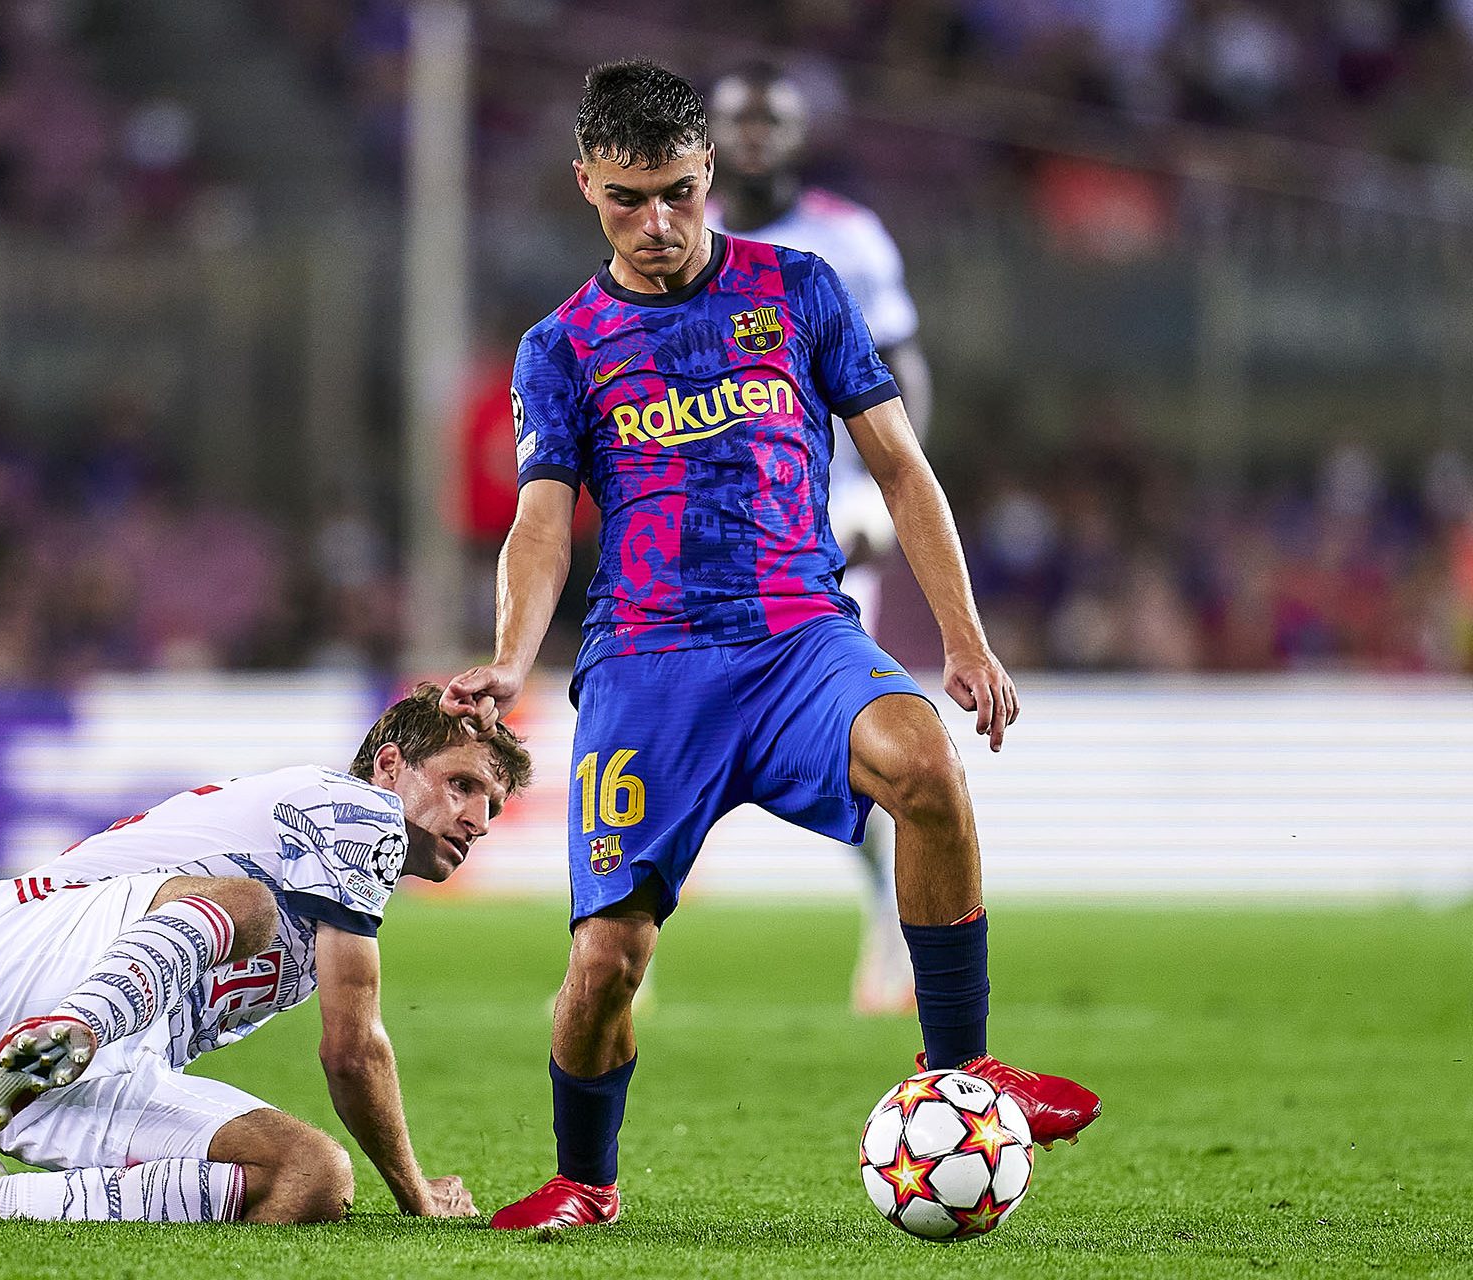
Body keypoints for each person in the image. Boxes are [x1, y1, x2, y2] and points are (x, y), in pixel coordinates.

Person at [441, 60, 1100, 1231]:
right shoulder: (563, 346)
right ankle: (586, 1178)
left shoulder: (800, 288)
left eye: (681, 194)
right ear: (585, 182)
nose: (659, 226)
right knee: (606, 965)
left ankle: (960, 1074)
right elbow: (542, 523)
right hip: (647, 665)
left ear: (710, 176)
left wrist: (965, 638)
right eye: (628, 199)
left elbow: (900, 465)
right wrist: (507, 655)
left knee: (926, 761)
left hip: (799, 636)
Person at [0, 685, 531, 1225]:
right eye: (461, 784)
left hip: (82, 1064)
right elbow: (352, 1050)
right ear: (388, 766)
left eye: (493, 807)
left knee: (312, 1176)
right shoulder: (354, 811)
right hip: (24, 950)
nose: (477, 819)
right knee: (248, 907)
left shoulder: (342, 894)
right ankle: (72, 1027)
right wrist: (417, 1193)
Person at [708, 61, 932, 1016]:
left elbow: (901, 369)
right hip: (701, 521)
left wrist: (891, 493)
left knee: (859, 731)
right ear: (709, 132)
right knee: (676, 734)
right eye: (739, 120)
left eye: (774, 120)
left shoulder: (845, 237)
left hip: (825, 514)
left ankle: (894, 923)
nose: (757, 136)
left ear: (801, 133)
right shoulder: (675, 230)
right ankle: (622, 946)